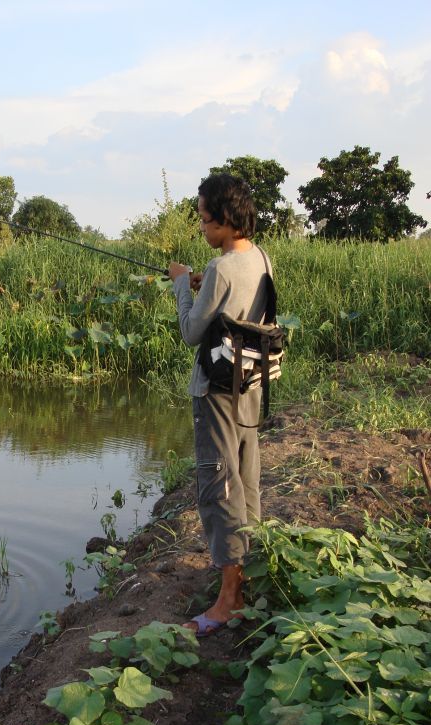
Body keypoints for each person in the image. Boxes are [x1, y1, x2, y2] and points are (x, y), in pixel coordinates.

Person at [168, 173, 270, 637]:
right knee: (245, 484)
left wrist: (180, 286)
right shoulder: (262, 259)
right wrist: (203, 281)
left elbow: (192, 331)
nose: (203, 229)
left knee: (218, 487)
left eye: (206, 220)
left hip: (217, 392)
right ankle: (245, 583)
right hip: (250, 386)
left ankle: (228, 602)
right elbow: (237, 308)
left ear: (226, 220)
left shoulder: (220, 269)